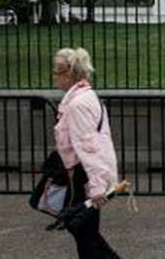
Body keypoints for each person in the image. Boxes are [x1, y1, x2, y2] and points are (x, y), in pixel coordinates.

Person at [52, 47, 121, 259]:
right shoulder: (86, 96)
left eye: (55, 71)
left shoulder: (77, 104)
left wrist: (97, 187)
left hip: (84, 176)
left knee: (84, 233)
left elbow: (89, 148)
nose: (53, 76)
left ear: (67, 74)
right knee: (84, 231)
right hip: (89, 174)